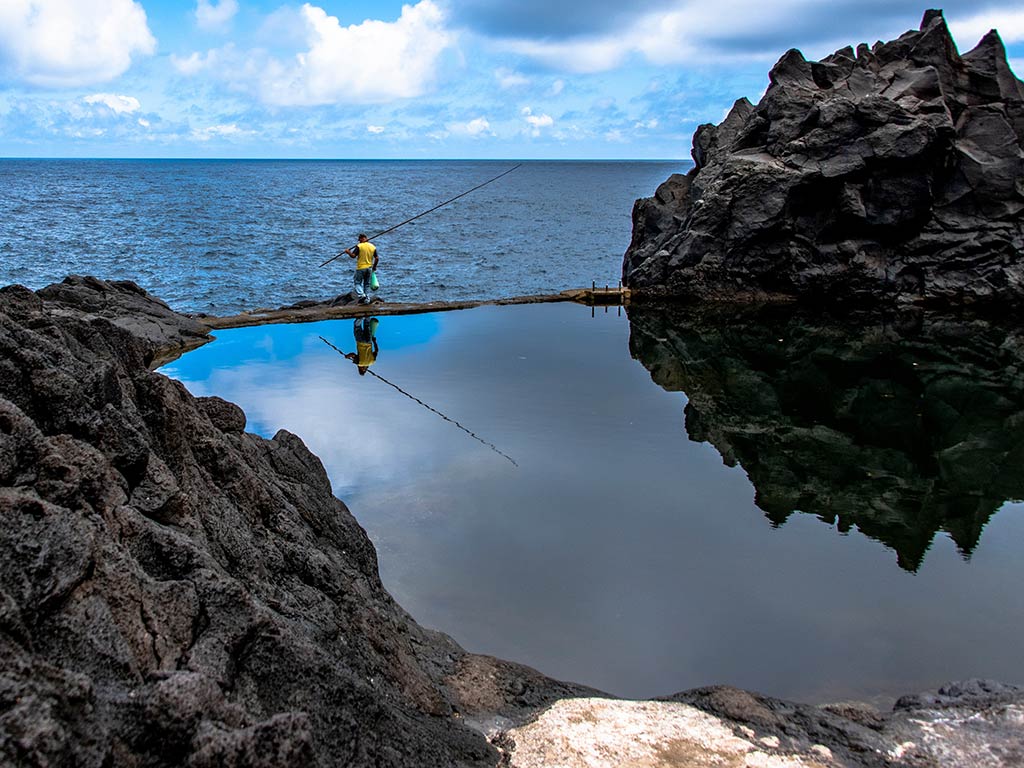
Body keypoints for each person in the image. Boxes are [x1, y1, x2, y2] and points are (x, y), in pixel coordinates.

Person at [344, 233, 378, 305]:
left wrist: (348, 252)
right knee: (367, 284)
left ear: (362, 238)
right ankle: (367, 299)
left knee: (357, 282)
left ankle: (362, 295)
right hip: (369, 268)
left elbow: (353, 256)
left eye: (359, 239)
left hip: (361, 268)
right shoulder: (373, 246)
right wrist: (374, 266)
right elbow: (377, 258)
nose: (359, 241)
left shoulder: (359, 246)